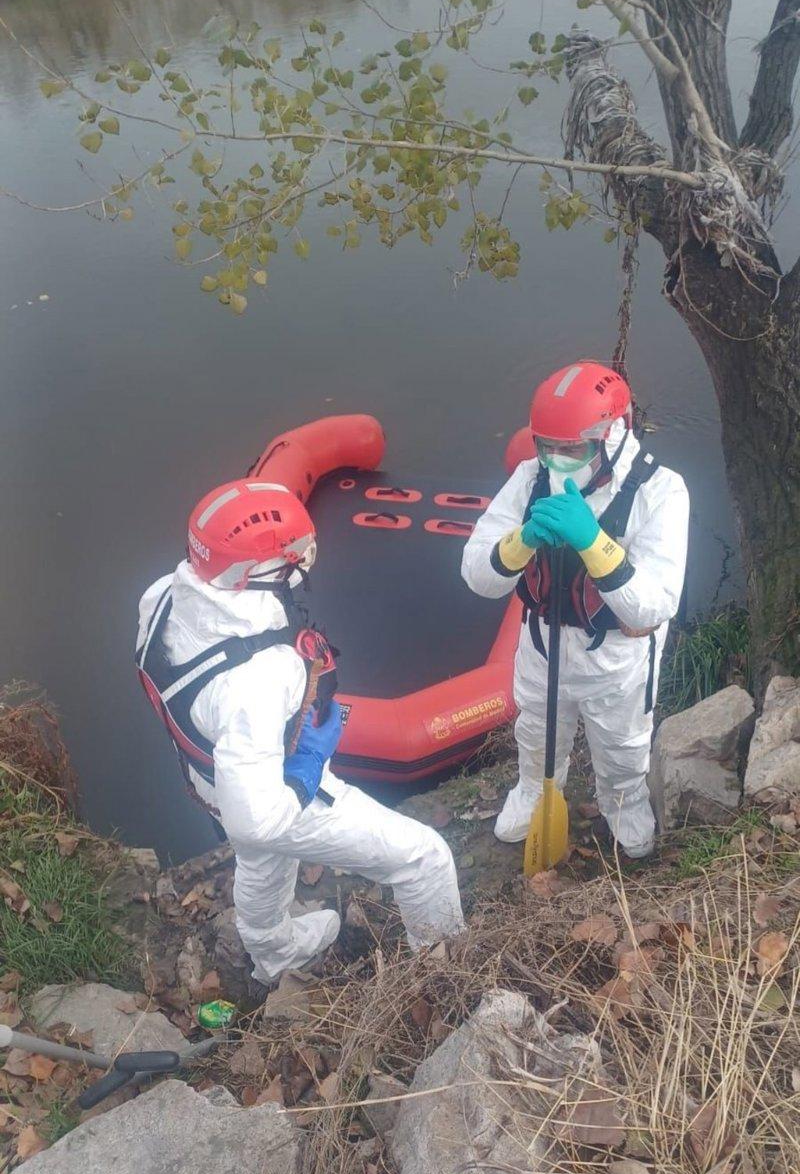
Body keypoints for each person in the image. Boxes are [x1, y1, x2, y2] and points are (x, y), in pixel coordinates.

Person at [136, 477, 465, 982]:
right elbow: (258, 821)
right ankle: (446, 979)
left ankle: (274, 953)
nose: (306, 561)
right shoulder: (264, 674)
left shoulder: (160, 596)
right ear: (260, 569)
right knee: (425, 858)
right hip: (273, 789)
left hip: (212, 774)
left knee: (263, 861)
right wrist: (309, 763)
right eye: (297, 554)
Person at [462, 361, 689, 859]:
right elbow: (477, 574)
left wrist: (593, 541)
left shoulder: (660, 491)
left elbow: (653, 605)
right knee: (536, 730)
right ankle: (533, 790)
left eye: (573, 449)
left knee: (623, 743)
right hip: (543, 646)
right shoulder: (530, 479)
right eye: (549, 447)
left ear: (614, 433)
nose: (559, 460)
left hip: (616, 658)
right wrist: (520, 541)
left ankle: (624, 803)